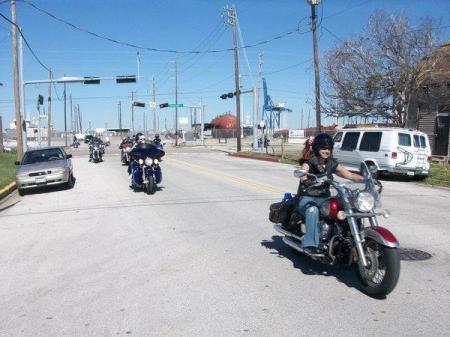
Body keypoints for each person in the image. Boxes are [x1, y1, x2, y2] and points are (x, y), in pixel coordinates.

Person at [296, 133, 364, 254]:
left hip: (324, 199)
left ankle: (351, 239)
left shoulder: (331, 163)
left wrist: (366, 179)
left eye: (328, 148)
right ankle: (311, 244)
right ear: (317, 148)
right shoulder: (309, 162)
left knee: (346, 207)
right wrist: (306, 180)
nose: (326, 151)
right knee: (313, 210)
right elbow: (303, 173)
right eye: (323, 148)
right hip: (307, 198)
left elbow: (349, 174)